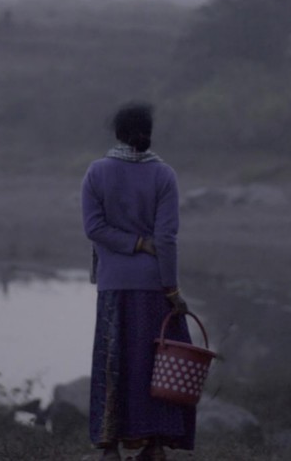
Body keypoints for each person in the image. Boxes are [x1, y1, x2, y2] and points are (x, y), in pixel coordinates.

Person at [82, 102, 194, 461]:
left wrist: (130, 244)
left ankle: (109, 447)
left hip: (113, 286)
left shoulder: (96, 172)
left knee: (113, 363)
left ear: (117, 132)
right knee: (155, 366)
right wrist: (172, 290)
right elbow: (168, 239)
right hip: (154, 287)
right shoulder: (164, 175)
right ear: (148, 132)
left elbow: (94, 229)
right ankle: (154, 446)